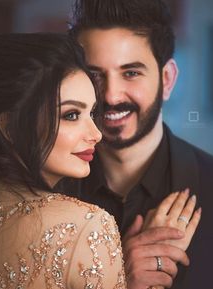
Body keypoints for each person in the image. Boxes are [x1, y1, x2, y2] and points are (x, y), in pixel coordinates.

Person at [55, 0, 213, 288]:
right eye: (94, 75)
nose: (112, 96)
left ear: (167, 79)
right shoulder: (43, 191)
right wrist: (115, 278)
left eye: (131, 73)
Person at [0, 33, 127, 289]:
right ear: (10, 127)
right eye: (71, 115)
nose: (96, 134)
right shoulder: (87, 227)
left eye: (92, 113)